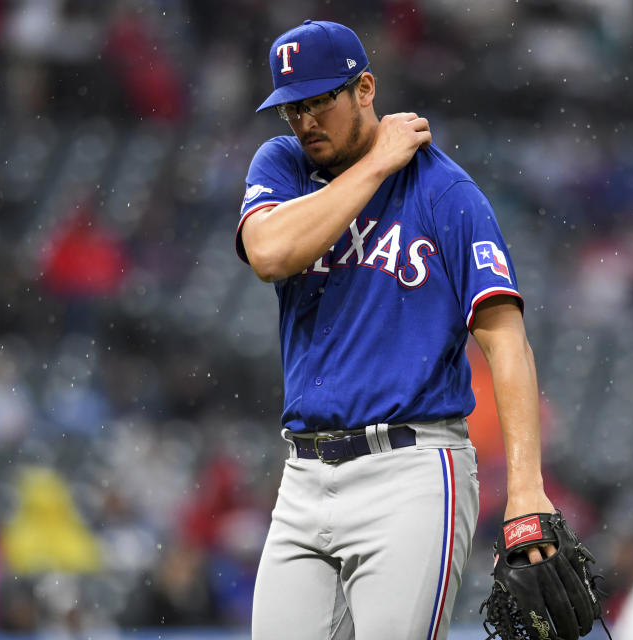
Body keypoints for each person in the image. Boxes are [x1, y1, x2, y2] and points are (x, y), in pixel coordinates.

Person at [235, 20, 558, 640]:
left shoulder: (445, 191)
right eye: (291, 107)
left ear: (365, 88)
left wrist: (525, 489)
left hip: (412, 470)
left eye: (318, 101)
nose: (304, 121)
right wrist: (378, 163)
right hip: (304, 474)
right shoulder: (282, 166)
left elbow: (505, 340)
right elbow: (270, 254)